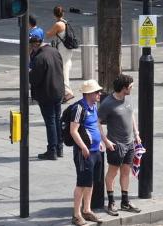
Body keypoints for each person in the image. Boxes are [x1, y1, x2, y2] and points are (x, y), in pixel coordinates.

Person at [98, 75, 141, 217]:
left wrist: (136, 134)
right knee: (113, 172)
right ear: (124, 88)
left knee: (125, 172)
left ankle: (125, 201)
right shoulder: (108, 103)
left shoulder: (127, 99)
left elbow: (131, 115)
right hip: (115, 145)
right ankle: (111, 202)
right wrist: (105, 140)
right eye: (131, 86)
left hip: (129, 143)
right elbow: (97, 122)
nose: (132, 88)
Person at [68, 79, 104, 225]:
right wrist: (83, 147)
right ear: (89, 94)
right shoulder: (79, 108)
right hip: (85, 152)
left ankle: (87, 210)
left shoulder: (93, 106)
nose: (99, 94)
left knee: (90, 182)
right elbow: (73, 131)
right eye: (97, 92)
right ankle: (76, 214)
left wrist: (101, 141)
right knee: (81, 183)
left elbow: (95, 125)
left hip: (96, 151)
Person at [29, 28, 65, 160]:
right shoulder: (54, 51)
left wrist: (29, 72)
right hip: (58, 91)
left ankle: (52, 150)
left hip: (47, 93)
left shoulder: (39, 57)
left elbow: (33, 79)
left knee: (50, 121)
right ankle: (59, 147)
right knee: (56, 119)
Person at [46, 5, 75, 101]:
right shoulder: (65, 22)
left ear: (54, 14)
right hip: (68, 48)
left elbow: (49, 34)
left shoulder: (58, 24)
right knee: (66, 66)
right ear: (63, 13)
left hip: (62, 49)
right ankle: (64, 91)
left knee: (63, 70)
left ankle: (68, 92)